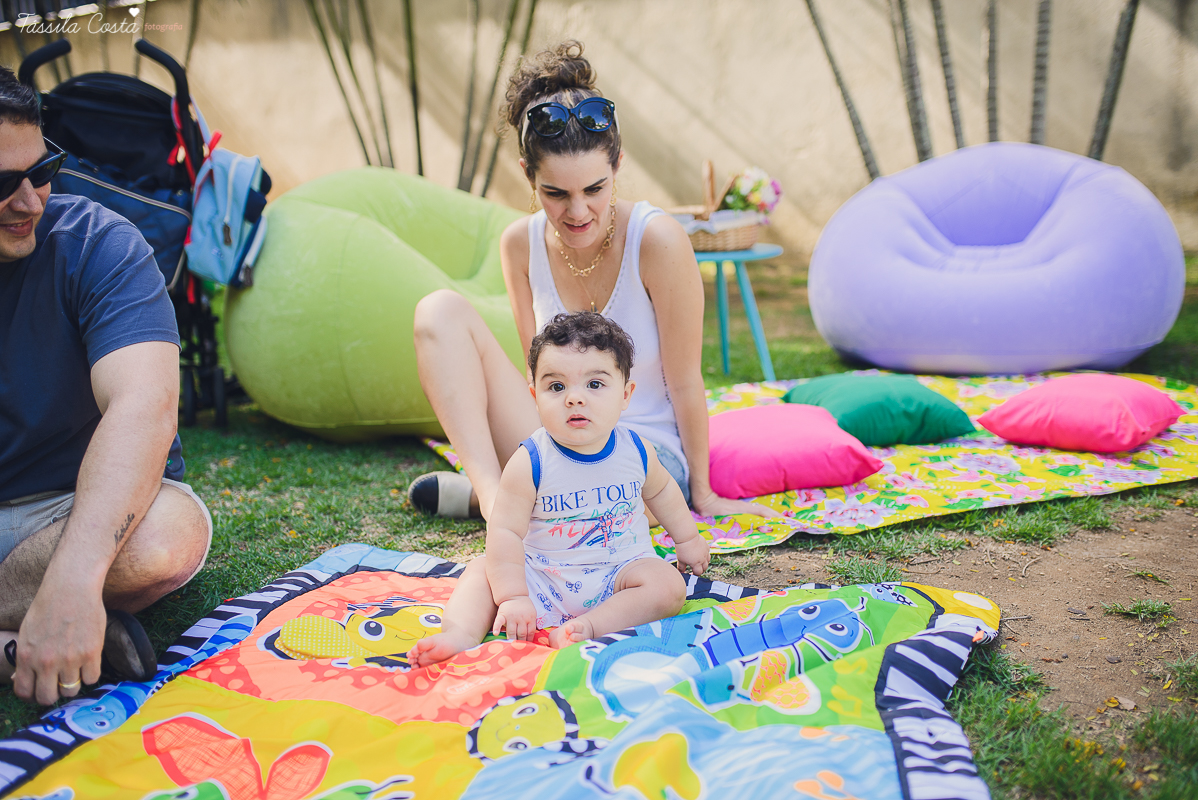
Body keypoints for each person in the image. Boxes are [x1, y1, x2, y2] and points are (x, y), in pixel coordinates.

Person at [410, 39, 770, 524]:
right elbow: (539, 377)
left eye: (595, 189)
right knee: (437, 312)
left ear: (617, 165)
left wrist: (701, 493)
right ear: (528, 176)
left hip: (644, 457)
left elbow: (686, 380)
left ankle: (509, 503)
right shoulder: (519, 244)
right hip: (557, 437)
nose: (577, 212)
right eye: (555, 193)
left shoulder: (657, 240)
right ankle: (496, 504)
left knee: (605, 509)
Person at [0, 67, 212, 706]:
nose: (30, 201)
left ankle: (47, 617)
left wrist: (74, 575)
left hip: (73, 509)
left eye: (41, 171)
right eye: (2, 185)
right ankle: (15, 646)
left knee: (169, 536)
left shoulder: (98, 243)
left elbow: (145, 405)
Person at [411, 312, 708, 665]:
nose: (574, 398)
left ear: (625, 394)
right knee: (480, 571)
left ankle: (591, 626)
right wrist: (513, 596)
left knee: (668, 585)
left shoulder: (637, 451)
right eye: (556, 387)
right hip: (541, 578)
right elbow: (505, 531)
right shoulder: (531, 460)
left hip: (619, 575)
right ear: (534, 395)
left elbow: (662, 493)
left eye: (594, 384)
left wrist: (687, 539)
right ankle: (458, 633)